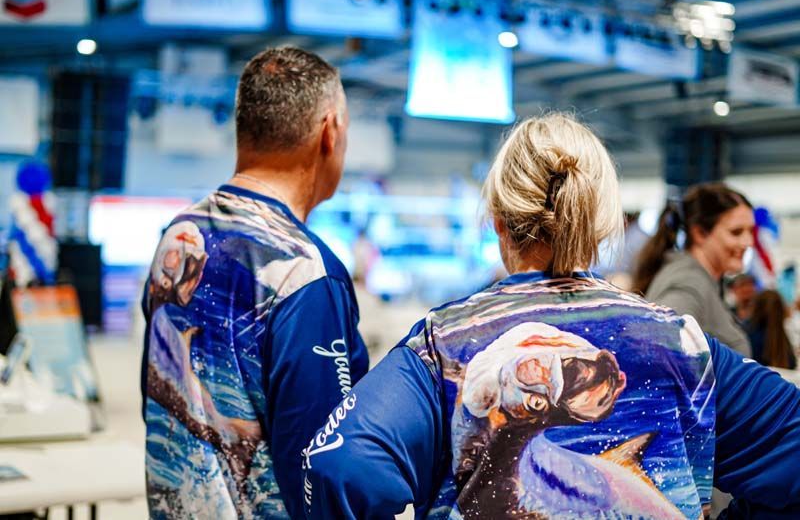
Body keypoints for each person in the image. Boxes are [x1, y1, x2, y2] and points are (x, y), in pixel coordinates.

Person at [301, 113, 800, 519]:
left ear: (497, 221)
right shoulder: (682, 344)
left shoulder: (445, 342)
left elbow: (340, 464)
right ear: (603, 223)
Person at [140, 46, 368, 519]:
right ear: (330, 132)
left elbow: (156, 400)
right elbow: (323, 463)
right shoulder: (305, 272)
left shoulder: (178, 237)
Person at [632, 184, 754, 357]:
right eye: (736, 232)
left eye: (750, 231)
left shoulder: (701, 280)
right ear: (699, 233)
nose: (748, 242)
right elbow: (660, 351)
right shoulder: (687, 282)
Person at [746, 290, 797, 370]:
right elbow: (792, 364)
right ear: (782, 310)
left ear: (756, 307)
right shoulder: (780, 334)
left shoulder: (747, 332)